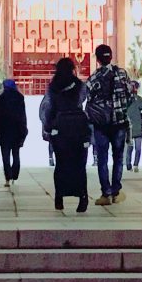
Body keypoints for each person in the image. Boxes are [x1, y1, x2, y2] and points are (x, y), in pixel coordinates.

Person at [85, 44, 133, 206]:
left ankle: (105, 193)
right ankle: (116, 192)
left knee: (102, 159)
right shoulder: (122, 74)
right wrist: (121, 107)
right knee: (118, 158)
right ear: (111, 57)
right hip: (119, 123)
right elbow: (131, 95)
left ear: (97, 59)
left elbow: (88, 99)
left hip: (101, 125)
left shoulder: (94, 78)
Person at [43, 57, 90, 212]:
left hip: (60, 129)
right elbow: (82, 101)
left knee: (61, 163)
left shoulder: (53, 87)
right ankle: (82, 197)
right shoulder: (79, 85)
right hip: (78, 127)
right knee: (79, 164)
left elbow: (49, 108)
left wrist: (48, 127)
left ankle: (59, 196)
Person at [0, 79, 27, 187]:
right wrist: (24, 130)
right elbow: (23, 116)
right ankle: (15, 174)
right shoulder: (20, 98)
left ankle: (8, 176)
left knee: (5, 154)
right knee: (16, 153)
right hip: (17, 129)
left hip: (3, 130)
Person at [124, 81, 142, 172]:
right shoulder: (139, 99)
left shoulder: (125, 99)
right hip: (138, 126)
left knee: (129, 147)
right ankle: (136, 165)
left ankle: (128, 164)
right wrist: (140, 116)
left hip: (128, 126)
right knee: (138, 148)